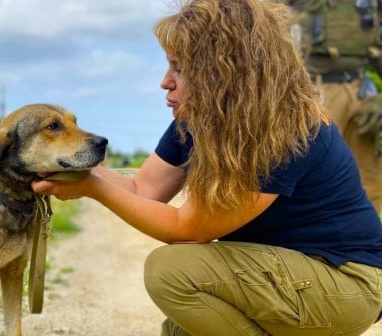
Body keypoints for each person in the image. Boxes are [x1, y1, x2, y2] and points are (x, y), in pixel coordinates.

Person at [31, 0, 382, 335]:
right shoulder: (199, 120)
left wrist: (93, 187)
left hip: (345, 283)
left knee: (171, 272)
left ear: (224, 73)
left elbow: (188, 229)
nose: (165, 82)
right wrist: (74, 167)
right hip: (288, 277)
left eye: (180, 69)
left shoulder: (285, 128)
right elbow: (143, 190)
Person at [276, 0, 382, 214]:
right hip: (314, 90)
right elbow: (263, 28)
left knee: (372, 182)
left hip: (362, 91)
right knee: (312, 177)